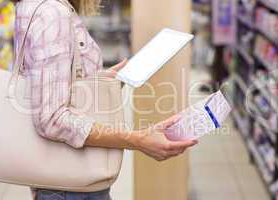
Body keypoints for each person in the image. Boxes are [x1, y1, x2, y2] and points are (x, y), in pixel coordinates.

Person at [12, 0, 198, 199]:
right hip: (71, 186)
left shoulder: (32, 5)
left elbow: (49, 83)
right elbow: (51, 118)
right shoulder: (52, 14)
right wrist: (137, 140)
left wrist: (101, 82)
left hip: (66, 183)